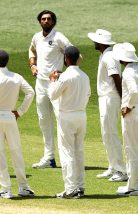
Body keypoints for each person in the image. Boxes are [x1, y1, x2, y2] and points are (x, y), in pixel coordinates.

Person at [0, 50, 35, 199]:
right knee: (16, 151)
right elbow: (30, 93)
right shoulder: (16, 77)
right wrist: (19, 112)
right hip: (10, 116)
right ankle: (23, 187)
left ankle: (6, 189)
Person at [29, 10, 74, 169]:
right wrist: (33, 64)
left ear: (54, 22)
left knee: (60, 118)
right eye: (43, 19)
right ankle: (49, 158)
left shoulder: (59, 37)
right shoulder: (36, 37)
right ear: (39, 21)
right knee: (43, 120)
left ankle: (68, 157)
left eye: (49, 19)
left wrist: (65, 72)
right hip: (40, 84)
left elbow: (75, 55)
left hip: (55, 84)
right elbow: (32, 49)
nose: (46, 21)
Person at [112, 42, 138, 196]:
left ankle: (133, 187)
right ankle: (135, 184)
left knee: (131, 150)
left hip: (132, 114)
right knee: (134, 149)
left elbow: (134, 91)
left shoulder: (129, 72)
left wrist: (129, 106)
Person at [48, 46, 91, 198]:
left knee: (67, 152)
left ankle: (71, 189)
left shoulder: (65, 76)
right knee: (78, 151)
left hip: (67, 116)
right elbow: (88, 95)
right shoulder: (85, 76)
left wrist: (53, 80)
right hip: (81, 115)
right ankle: (80, 187)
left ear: (66, 58)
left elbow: (52, 95)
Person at [87, 29, 128, 182]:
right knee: (106, 133)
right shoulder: (105, 55)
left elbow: (117, 78)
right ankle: (112, 166)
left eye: (96, 40)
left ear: (101, 43)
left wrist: (123, 100)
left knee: (110, 133)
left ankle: (121, 170)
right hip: (105, 97)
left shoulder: (109, 56)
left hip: (110, 98)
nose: (94, 43)